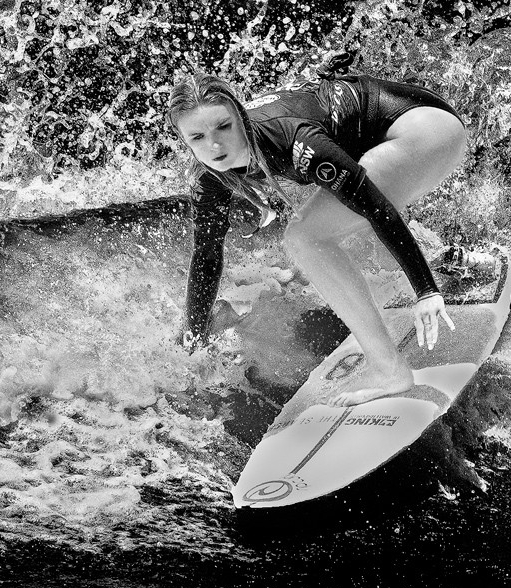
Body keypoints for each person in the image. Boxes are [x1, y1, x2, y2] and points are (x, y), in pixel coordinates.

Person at [167, 69, 467, 407]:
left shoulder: (295, 142)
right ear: (184, 140)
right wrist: (194, 339)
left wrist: (425, 291)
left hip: (429, 132)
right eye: (197, 137)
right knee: (335, 217)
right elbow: (207, 256)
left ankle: (389, 371)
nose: (214, 145)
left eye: (223, 126)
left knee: (304, 238)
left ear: (239, 115)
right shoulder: (209, 176)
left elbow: (376, 208)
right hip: (407, 132)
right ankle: (453, 262)